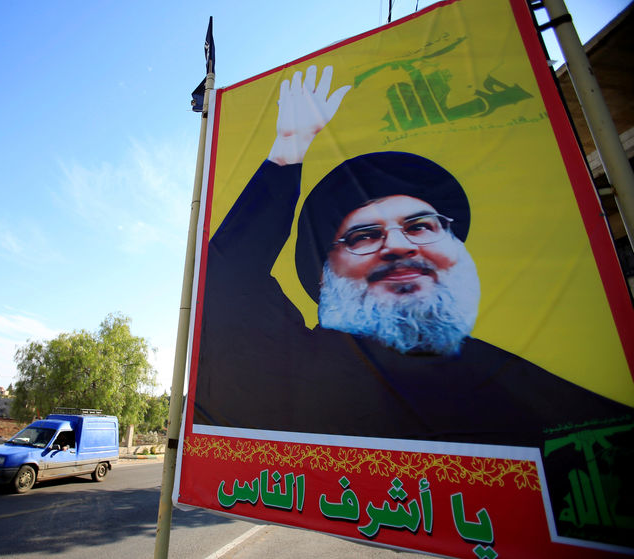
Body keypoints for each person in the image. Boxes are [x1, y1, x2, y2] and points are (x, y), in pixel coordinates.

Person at [191, 66, 632, 539]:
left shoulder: (532, 386)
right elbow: (227, 278)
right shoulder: (294, 368)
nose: (399, 245)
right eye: (364, 235)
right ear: (325, 277)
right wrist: (289, 149)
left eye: (422, 226)